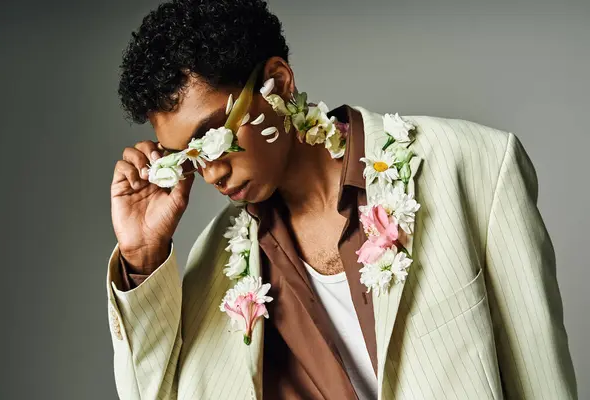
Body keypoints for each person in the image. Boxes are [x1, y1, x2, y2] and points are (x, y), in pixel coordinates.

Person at [106, 0, 577, 399]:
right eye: (186, 155)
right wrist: (142, 253)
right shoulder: (214, 263)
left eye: (213, 136)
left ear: (279, 83)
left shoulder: (474, 167)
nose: (210, 171)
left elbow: (541, 379)